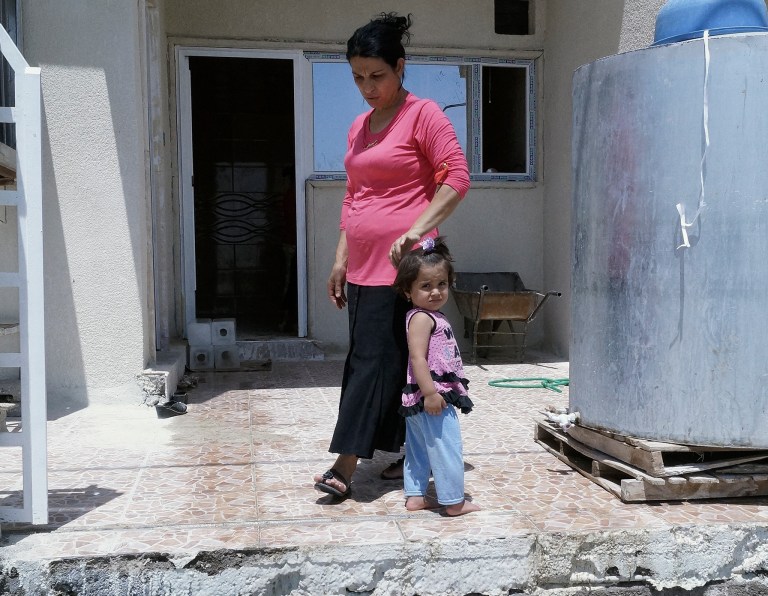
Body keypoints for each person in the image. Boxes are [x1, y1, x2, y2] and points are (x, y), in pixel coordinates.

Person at [313, 12, 471, 499]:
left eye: (376, 76)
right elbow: (354, 195)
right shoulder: (360, 126)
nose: (367, 87)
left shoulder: (423, 115)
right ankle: (408, 446)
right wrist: (341, 255)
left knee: (373, 360)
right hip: (361, 264)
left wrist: (413, 231)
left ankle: (345, 461)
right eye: (358, 77)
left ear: (400, 67)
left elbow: (456, 178)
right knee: (389, 360)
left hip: (403, 269)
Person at [392, 236, 479, 516]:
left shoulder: (430, 315)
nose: (435, 292)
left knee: (418, 449)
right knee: (446, 446)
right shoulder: (421, 318)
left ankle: (416, 496)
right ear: (408, 291)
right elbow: (417, 358)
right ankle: (454, 501)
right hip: (431, 395)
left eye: (441, 284)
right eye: (425, 286)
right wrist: (430, 393)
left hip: (421, 398)